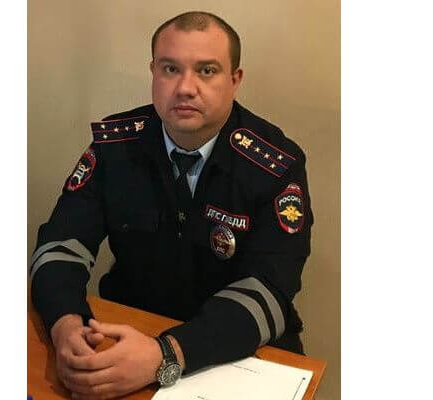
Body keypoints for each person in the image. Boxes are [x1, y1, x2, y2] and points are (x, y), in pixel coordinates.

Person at [30, 10, 313, 400]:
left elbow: (270, 291)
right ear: (153, 72)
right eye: (170, 69)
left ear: (235, 80)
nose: (185, 88)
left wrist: (166, 354)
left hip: (235, 351)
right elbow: (60, 246)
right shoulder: (115, 147)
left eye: (207, 71)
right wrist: (66, 325)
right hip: (132, 333)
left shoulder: (274, 165)